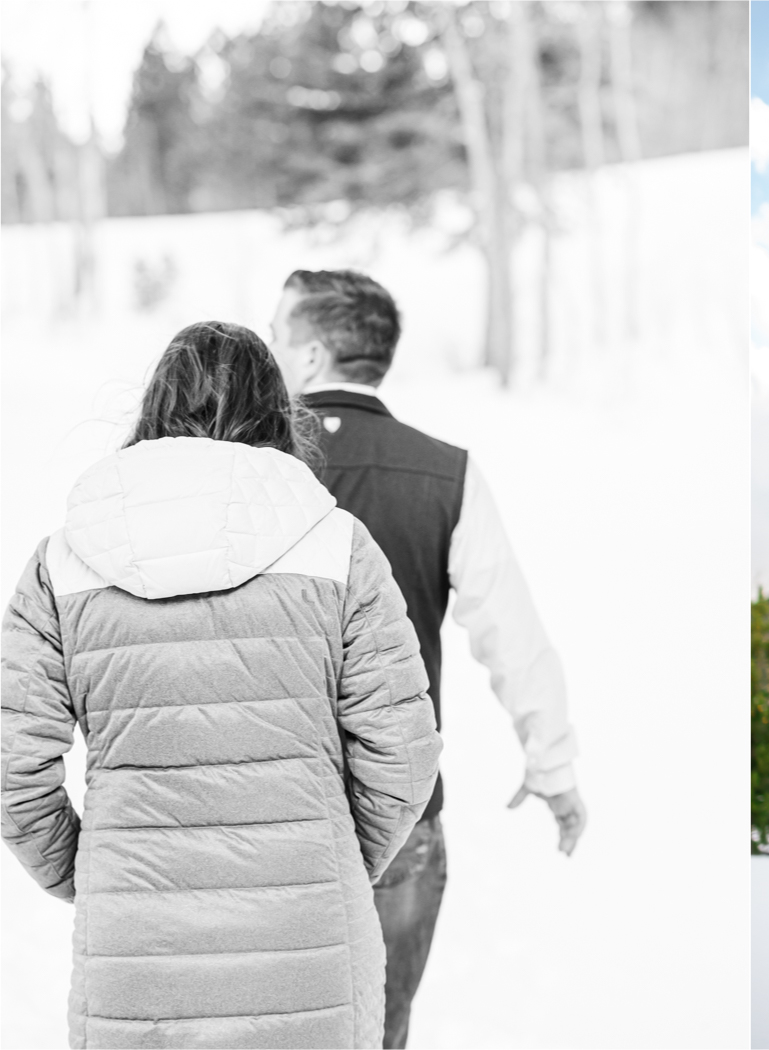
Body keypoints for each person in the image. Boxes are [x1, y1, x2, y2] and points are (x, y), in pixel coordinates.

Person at [1, 321, 442, 1050]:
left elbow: (16, 778)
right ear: (277, 414)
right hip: (309, 951)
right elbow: (404, 755)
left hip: (136, 957)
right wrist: (326, 861)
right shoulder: (338, 547)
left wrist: (95, 876)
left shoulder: (61, 565)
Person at [267, 269, 585, 1049]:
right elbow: (513, 633)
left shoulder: (243, 468)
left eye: (277, 336)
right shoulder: (447, 474)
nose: (270, 351)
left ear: (310, 358)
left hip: (261, 813)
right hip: (398, 813)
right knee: (379, 1031)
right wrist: (553, 766)